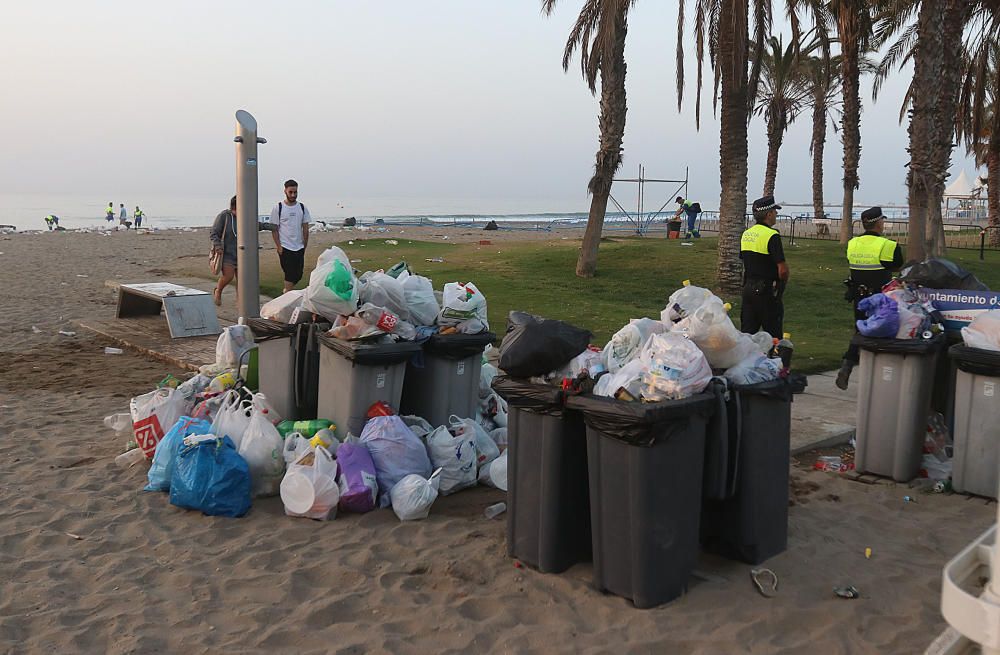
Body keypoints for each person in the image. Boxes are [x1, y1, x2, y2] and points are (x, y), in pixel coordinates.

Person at [835, 206, 904, 390]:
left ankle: (847, 366)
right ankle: (881, 377)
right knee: (885, 333)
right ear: (879, 223)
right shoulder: (887, 245)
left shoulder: (853, 243)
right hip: (881, 298)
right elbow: (897, 265)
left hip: (859, 296)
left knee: (860, 330)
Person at [739, 195, 789, 338]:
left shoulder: (746, 234)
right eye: (775, 211)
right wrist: (782, 284)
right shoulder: (772, 235)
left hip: (748, 288)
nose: (776, 214)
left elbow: (745, 260)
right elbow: (782, 268)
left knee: (747, 334)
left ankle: (746, 359)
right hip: (766, 290)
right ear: (769, 214)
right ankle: (774, 359)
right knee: (774, 334)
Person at [269, 179, 312, 293]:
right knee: (289, 273)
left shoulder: (302, 207)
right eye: (291, 192)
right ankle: (287, 295)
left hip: (299, 246)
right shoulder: (278, 207)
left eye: (295, 192)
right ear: (285, 191)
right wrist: (278, 246)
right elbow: (274, 229)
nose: (293, 195)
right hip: (285, 246)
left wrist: (305, 244)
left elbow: (305, 227)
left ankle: (287, 290)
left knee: (298, 274)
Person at [210, 196, 238, 306]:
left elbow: (256, 225)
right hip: (226, 254)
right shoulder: (224, 216)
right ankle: (218, 290)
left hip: (242, 253)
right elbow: (214, 233)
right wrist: (217, 246)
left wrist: (271, 226)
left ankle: (240, 301)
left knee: (242, 281)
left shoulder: (246, 216)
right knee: (229, 276)